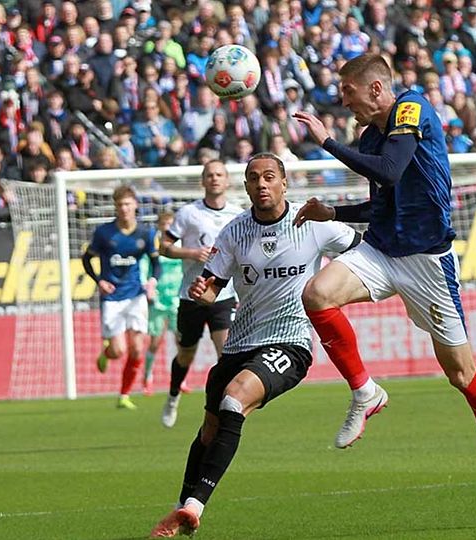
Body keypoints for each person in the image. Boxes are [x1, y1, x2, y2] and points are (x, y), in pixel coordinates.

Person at [292, 54, 476, 517]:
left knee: (460, 374)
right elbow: (383, 201)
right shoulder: (371, 135)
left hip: (426, 262)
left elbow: (391, 170)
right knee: (316, 294)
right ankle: (365, 391)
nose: (344, 101)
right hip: (381, 250)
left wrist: (327, 142)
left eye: (348, 93)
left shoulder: (411, 108)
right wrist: (333, 213)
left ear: (375, 89)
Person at [149, 153, 361, 538]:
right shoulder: (233, 232)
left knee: (234, 400)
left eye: (268, 177)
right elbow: (212, 287)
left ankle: (195, 507)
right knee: (210, 428)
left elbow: (364, 251)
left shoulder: (313, 225)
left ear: (284, 183)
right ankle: (181, 511)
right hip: (241, 342)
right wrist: (203, 292)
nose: (261, 184)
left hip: (291, 342)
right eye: (253, 178)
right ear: (245, 186)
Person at [157, 160, 244, 428]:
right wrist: (192, 253)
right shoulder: (188, 213)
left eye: (219, 174)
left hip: (223, 295)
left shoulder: (238, 214)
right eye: (209, 175)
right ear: (203, 181)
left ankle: (222, 409)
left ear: (227, 180)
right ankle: (173, 397)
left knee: (226, 354)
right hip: (191, 296)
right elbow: (164, 247)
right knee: (186, 354)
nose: (214, 179)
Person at [81, 186, 161, 410]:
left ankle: (124, 394)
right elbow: (86, 259)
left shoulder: (146, 233)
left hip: (136, 296)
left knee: (137, 349)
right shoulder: (104, 233)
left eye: (128, 204)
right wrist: (99, 281)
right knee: (118, 351)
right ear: (116, 208)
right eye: (120, 205)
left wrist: (153, 281)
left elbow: (156, 263)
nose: (124, 209)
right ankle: (106, 353)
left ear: (135, 205)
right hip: (113, 299)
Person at [141, 211, 184, 396]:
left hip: (177, 298)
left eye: (170, 224)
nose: (167, 227)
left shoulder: (180, 246)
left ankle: (181, 380)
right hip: (158, 299)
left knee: (181, 341)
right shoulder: (153, 246)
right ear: (159, 226)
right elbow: (145, 267)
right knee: (155, 341)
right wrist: (147, 287)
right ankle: (147, 377)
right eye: (164, 224)